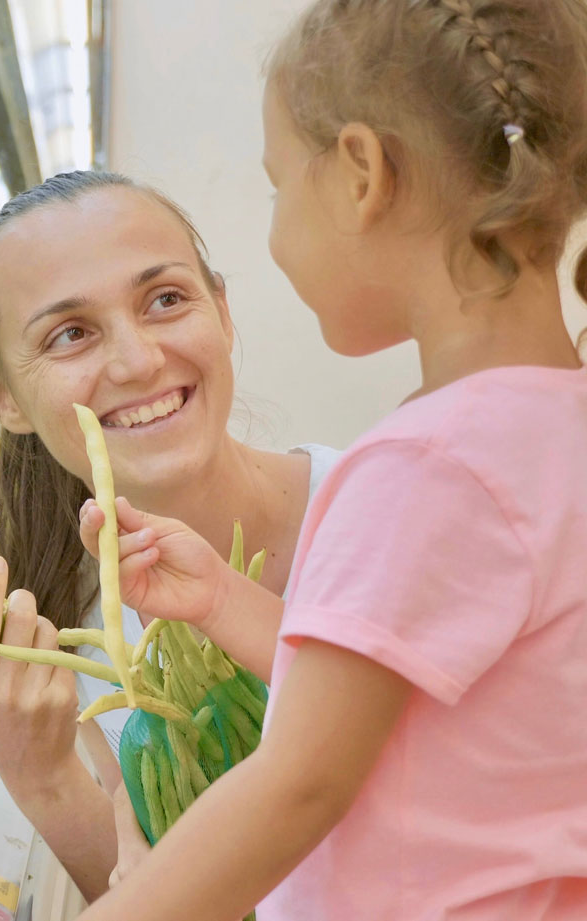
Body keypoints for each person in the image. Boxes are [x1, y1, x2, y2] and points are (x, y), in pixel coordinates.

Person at [74, 0, 587, 918]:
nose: (272, 235)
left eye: (277, 184)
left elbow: (299, 783)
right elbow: (396, 698)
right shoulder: (549, 426)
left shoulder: (427, 463)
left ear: (360, 174)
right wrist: (226, 599)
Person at [0, 170, 341, 901]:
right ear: (0, 396)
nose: (138, 360)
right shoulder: (64, 622)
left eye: (166, 299)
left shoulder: (377, 516)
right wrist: (45, 777)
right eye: (70, 334)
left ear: (222, 308)